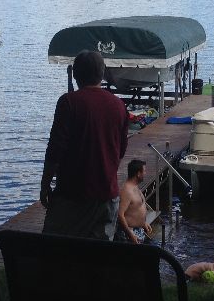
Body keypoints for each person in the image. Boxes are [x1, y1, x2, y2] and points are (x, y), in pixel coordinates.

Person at [40, 50, 129, 240]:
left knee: (54, 249)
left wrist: (45, 185)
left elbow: (55, 150)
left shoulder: (68, 102)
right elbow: (120, 150)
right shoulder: (119, 106)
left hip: (71, 196)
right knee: (96, 254)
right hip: (107, 197)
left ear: (75, 74)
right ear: (102, 74)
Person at [115, 159, 154, 244]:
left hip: (138, 230)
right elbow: (120, 215)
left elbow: (135, 208)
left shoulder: (135, 186)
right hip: (129, 234)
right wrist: (130, 234)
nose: (145, 173)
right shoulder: (127, 191)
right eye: (144, 171)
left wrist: (143, 223)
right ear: (138, 174)